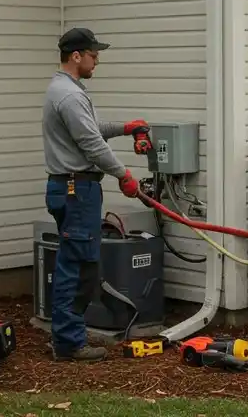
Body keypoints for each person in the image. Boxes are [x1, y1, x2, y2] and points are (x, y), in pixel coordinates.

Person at [42, 27, 150, 361]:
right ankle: (68, 342)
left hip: (74, 188)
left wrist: (125, 128)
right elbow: (91, 144)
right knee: (75, 267)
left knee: (82, 265)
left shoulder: (67, 90)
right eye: (93, 54)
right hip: (76, 189)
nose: (97, 60)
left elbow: (93, 130)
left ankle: (69, 334)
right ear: (76, 56)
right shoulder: (70, 96)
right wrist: (124, 175)